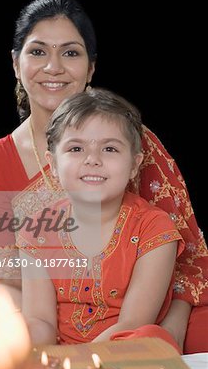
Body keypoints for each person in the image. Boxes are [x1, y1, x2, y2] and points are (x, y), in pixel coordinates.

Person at [0, 0, 208, 353]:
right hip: (52, 320)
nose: (54, 67)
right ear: (16, 63)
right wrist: (23, 342)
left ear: (91, 67)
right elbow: (8, 278)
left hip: (156, 308)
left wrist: (171, 328)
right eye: (38, 52)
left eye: (70, 52)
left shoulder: (135, 140)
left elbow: (187, 253)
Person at [17, 88, 184, 351]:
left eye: (109, 148)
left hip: (120, 354)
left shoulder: (154, 227)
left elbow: (133, 322)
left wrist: (78, 362)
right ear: (53, 165)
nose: (93, 159)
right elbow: (40, 320)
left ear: (134, 165)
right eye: (76, 148)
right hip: (61, 357)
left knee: (151, 337)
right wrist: (33, 349)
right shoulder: (37, 229)